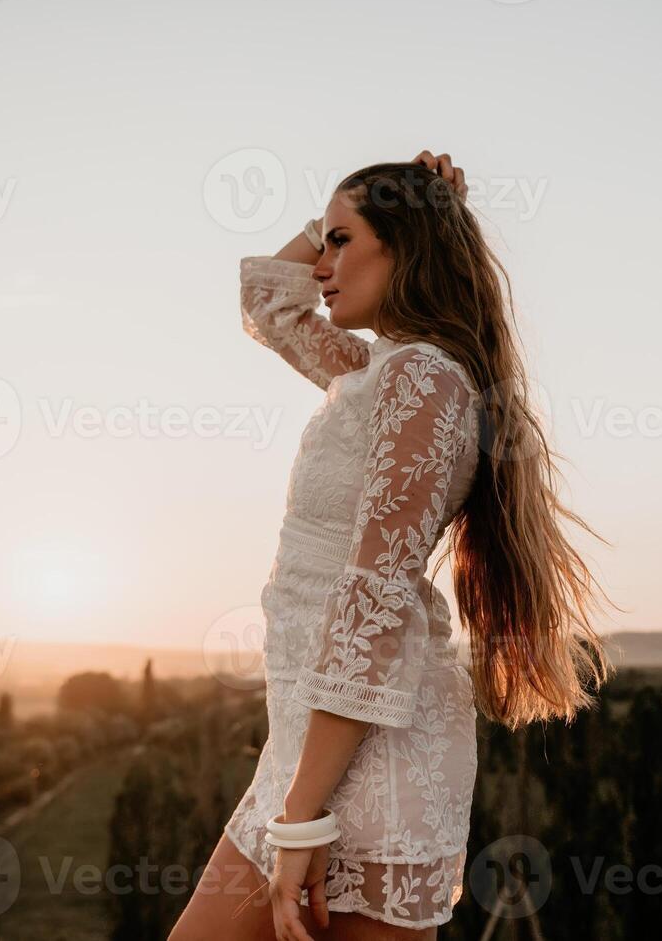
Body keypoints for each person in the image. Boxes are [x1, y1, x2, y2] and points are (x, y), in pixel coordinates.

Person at [170, 150, 614, 941]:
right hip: (310, 751)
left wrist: (301, 822)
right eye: (323, 243)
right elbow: (265, 302)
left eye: (342, 242)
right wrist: (341, 215)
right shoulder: (378, 369)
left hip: (367, 763)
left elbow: (372, 603)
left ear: (403, 248)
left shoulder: (422, 380)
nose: (321, 266)